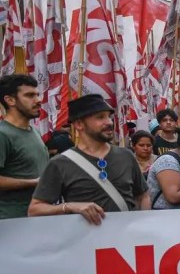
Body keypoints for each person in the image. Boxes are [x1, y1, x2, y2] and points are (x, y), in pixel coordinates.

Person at [29, 94, 151, 224]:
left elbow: (142, 196)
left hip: (124, 241)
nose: (109, 122)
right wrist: (69, 206)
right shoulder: (60, 163)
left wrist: (144, 225)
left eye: (109, 117)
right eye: (100, 117)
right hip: (85, 241)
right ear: (79, 124)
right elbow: (35, 210)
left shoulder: (126, 156)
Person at [0, 74, 50, 220]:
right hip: (11, 221)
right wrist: (34, 182)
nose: (38, 100)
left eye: (38, 94)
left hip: (37, 218)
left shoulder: (35, 131)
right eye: (30, 95)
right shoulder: (2, 134)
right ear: (10, 100)